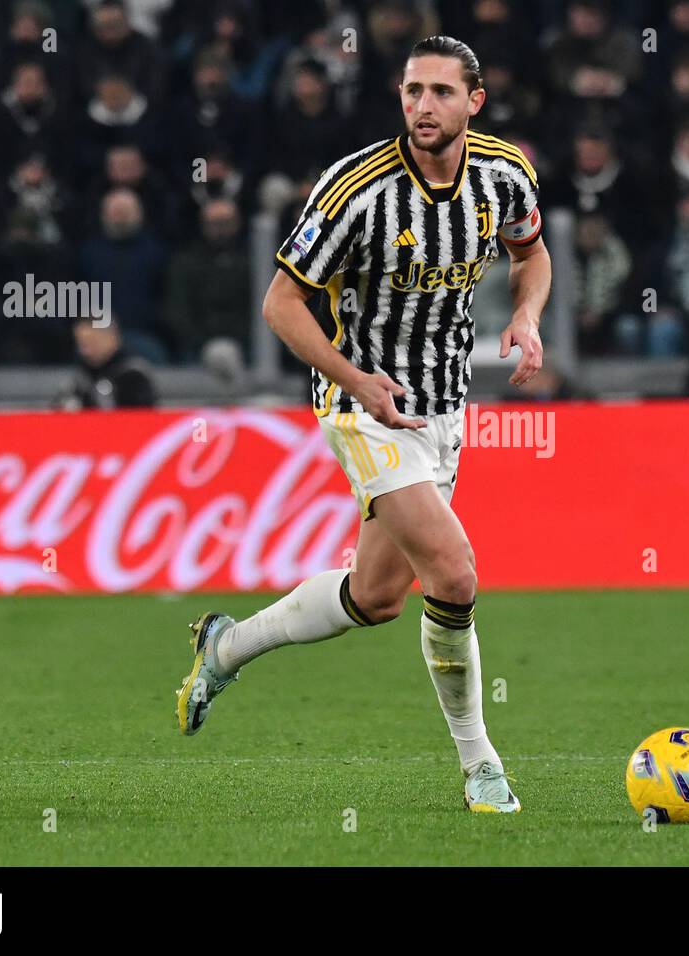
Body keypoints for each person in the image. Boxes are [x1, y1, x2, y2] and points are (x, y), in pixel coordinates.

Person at [175, 37, 551, 815]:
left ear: (474, 102)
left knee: (378, 596)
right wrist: (356, 381)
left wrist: (525, 315)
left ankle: (227, 646)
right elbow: (281, 303)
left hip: (443, 406)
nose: (423, 107)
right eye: (413, 91)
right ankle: (481, 765)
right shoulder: (356, 188)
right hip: (359, 402)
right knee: (454, 573)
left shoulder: (503, 173)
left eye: (442, 92)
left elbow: (532, 251)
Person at [55, 316, 156, 410]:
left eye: (92, 342)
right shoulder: (79, 379)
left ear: (112, 337)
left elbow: (143, 418)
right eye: (82, 344)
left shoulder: (134, 375)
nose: (85, 351)